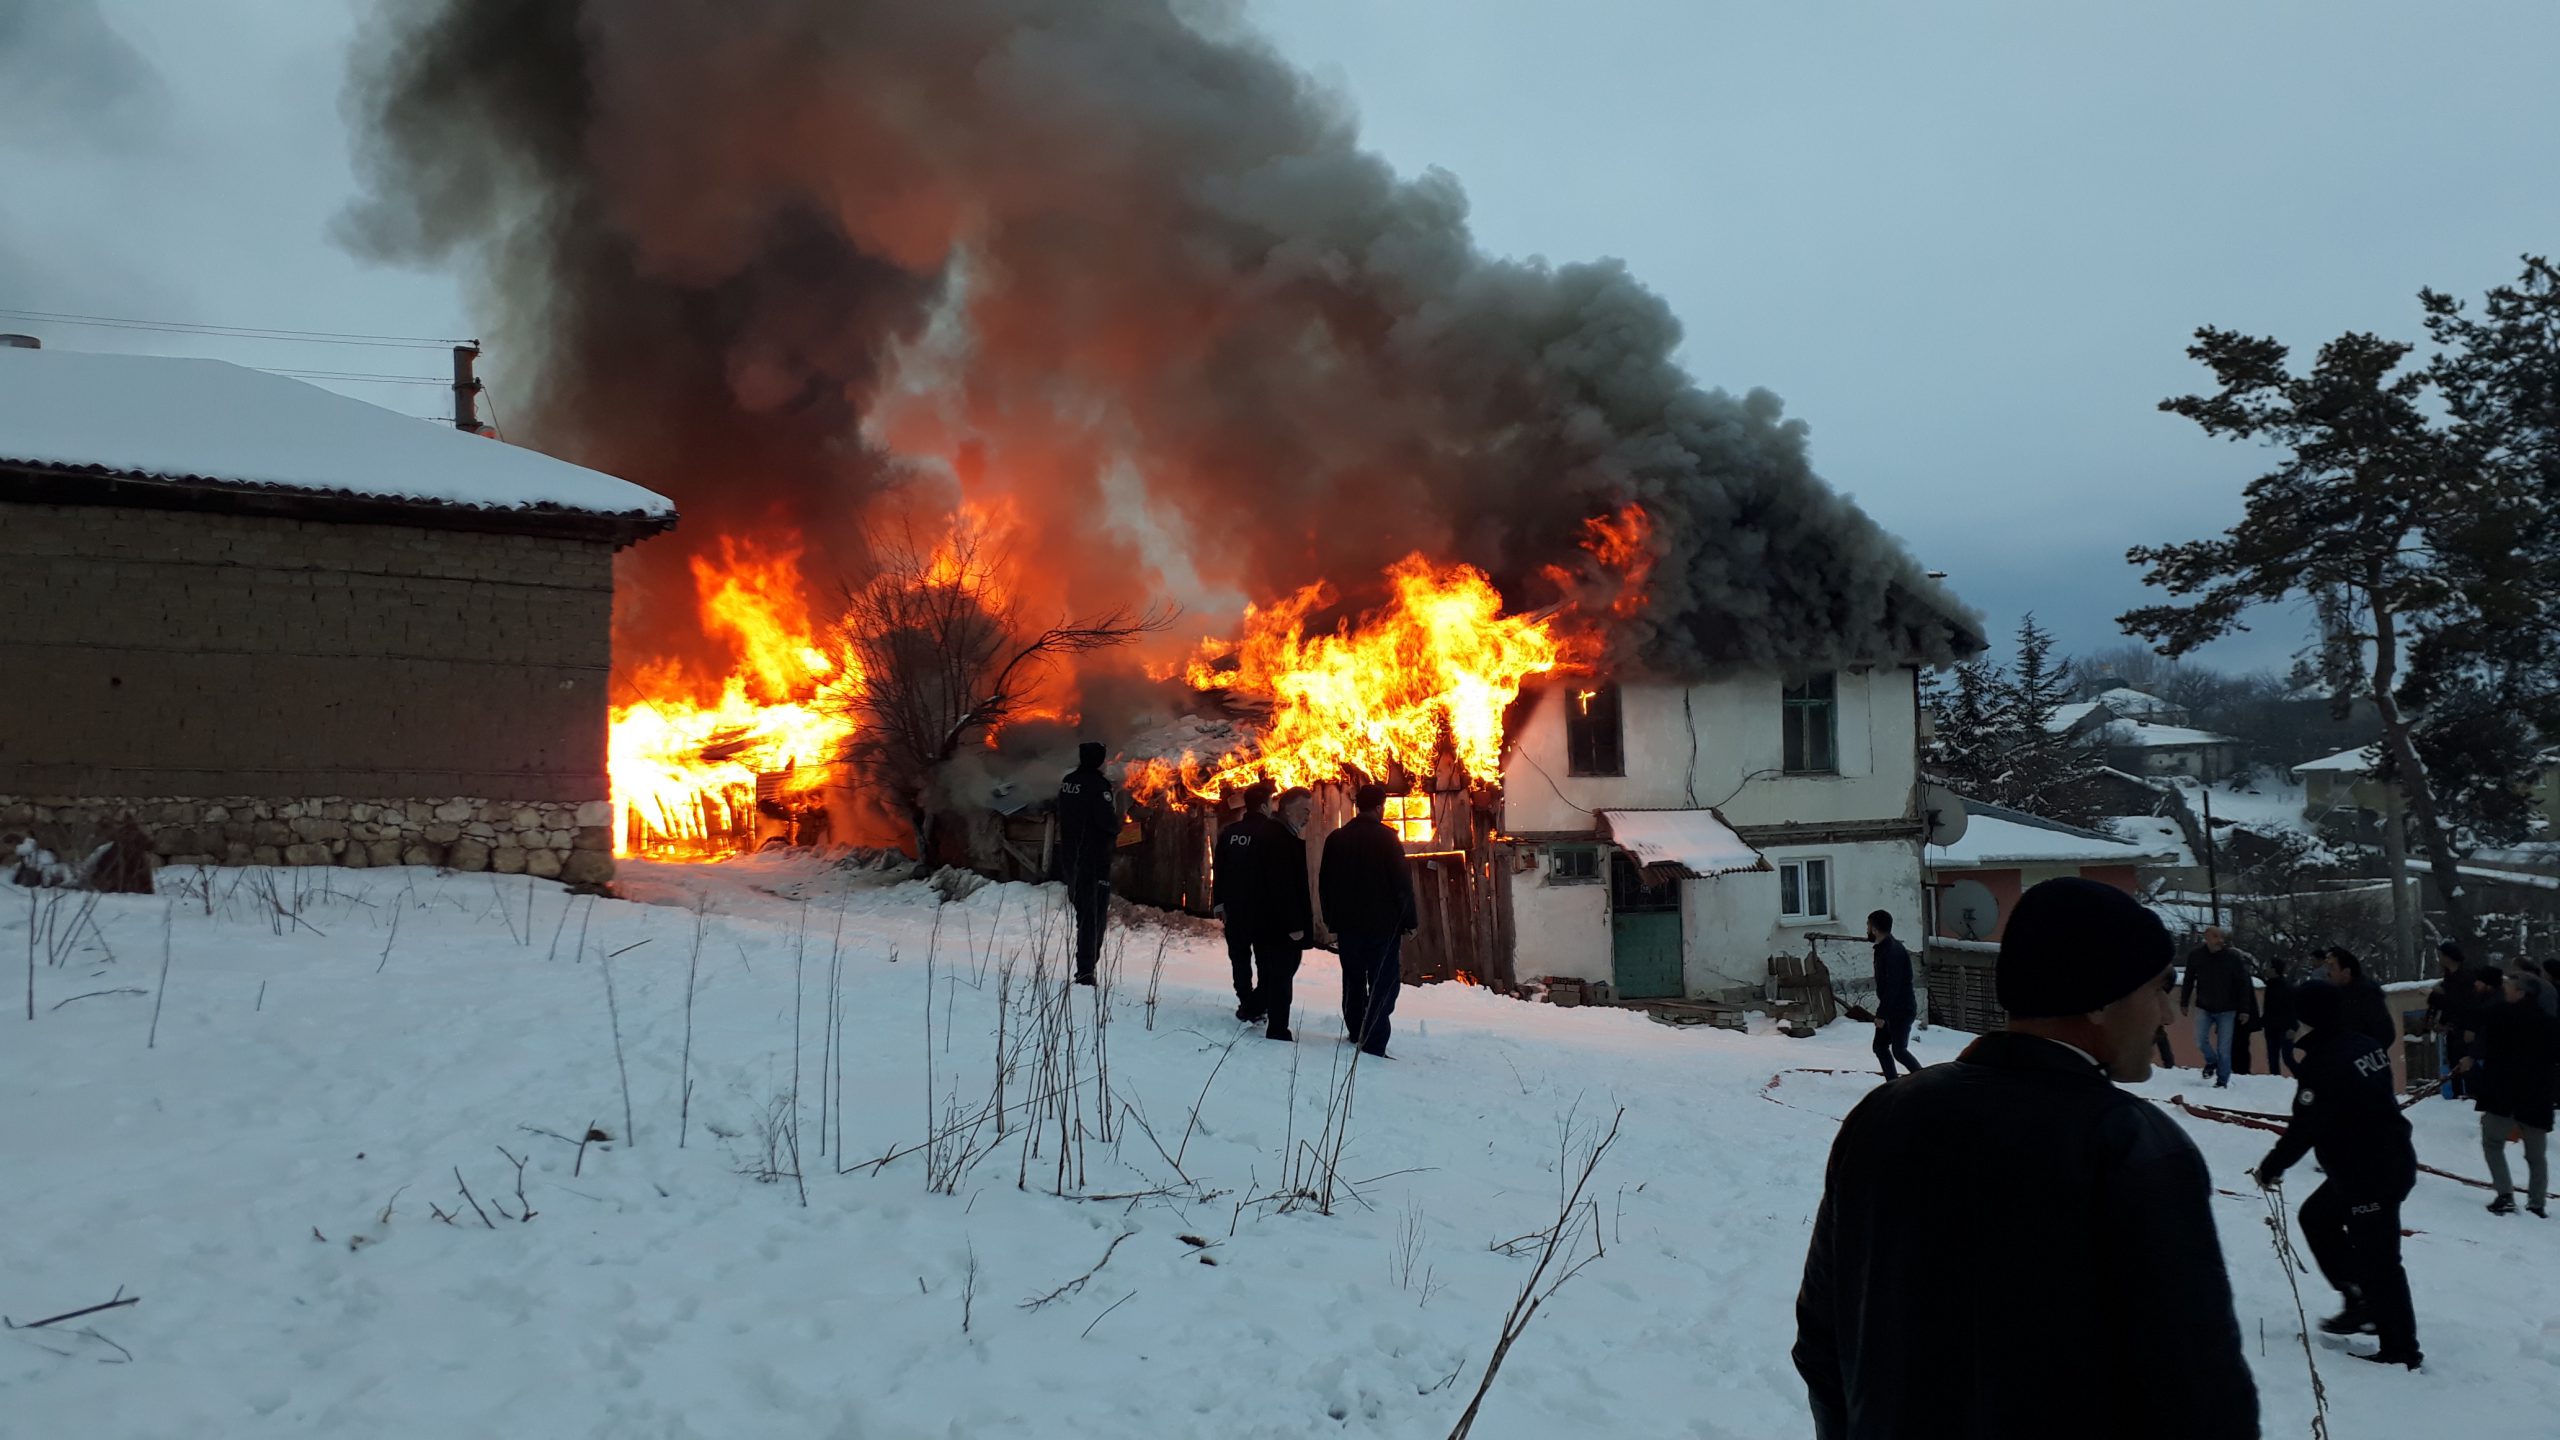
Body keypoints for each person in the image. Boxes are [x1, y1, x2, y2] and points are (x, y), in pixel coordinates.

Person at [1793, 877, 2258, 1439]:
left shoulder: (1883, 1118)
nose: (2166, 1015)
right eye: (2157, 989)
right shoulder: (2130, 1146)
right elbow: (2198, 1394)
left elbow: (1823, 1341)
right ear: (2099, 1000)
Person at [2251, 979, 2424, 1370]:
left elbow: (2306, 1125)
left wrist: (2272, 1167)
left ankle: (2401, 1349)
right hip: (2379, 1161)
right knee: (2317, 1217)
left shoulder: (2325, 1060)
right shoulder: (2362, 1043)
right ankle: (2358, 1297)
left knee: (2381, 1261)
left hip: (2370, 1172)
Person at [1318, 783, 1418, 1058]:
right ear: (1379, 807)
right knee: (1383, 983)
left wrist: (1331, 920)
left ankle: (1355, 1030)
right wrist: (1410, 920)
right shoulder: (1387, 838)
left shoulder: (1336, 839)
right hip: (1382, 926)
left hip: (1348, 926)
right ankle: (1373, 1042)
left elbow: (1325, 884)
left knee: (1353, 979)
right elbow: (1401, 883)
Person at [2466, 969, 2556, 1218]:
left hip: (2503, 1095)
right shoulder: (2549, 1023)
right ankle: (2537, 1204)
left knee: (2492, 1143)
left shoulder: (2500, 1015)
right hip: (2537, 1099)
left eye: (2508, 988)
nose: (2505, 991)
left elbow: (2475, 1018)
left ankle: (2505, 1194)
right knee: (2536, 1156)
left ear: (2520, 992)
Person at [1213, 785, 1284, 1023]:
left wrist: (1219, 903)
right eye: (1272, 801)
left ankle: (1245, 999)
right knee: (1265, 960)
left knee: (1239, 957)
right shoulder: (1274, 832)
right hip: (1264, 911)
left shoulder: (1230, 833)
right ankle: (1256, 1005)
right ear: (1264, 805)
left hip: (1235, 908)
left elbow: (1219, 869)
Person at [1250, 787, 1316, 1041]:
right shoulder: (1277, 838)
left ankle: (1253, 1007)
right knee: (1281, 975)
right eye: (1305, 810)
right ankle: (1278, 1030)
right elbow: (1280, 885)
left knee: (1275, 974)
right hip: (1278, 926)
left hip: (1269, 922)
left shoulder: (1277, 834)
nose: (1308, 816)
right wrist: (1293, 923)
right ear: (1288, 809)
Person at [1054, 741, 1121, 986]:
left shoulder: (1068, 781)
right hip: (1093, 858)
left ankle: (1084, 967)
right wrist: (1117, 828)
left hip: (1071, 855)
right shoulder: (1098, 785)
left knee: (1083, 912)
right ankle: (1086, 970)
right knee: (1094, 917)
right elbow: (1107, 822)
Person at [2180, 926, 2256, 1088]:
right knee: (2200, 1040)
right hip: (2204, 1005)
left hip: (2227, 1008)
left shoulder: (2232, 958)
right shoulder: (2197, 956)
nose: (2219, 940)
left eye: (2221, 937)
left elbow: (2243, 984)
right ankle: (2211, 1061)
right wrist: (2184, 1001)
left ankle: (2222, 1080)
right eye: (2215, 937)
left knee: (2224, 1048)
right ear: (2207, 937)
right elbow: (2188, 979)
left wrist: (2244, 1009)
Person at [1867, 910, 1920, 1080]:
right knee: (1880, 1047)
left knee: (1899, 1051)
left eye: (1868, 926)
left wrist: (1882, 1014)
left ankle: (1923, 1080)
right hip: (1892, 1007)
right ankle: (1892, 1083)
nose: (1866, 930)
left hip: (1901, 1009)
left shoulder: (1893, 952)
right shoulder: (1883, 948)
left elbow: (1893, 986)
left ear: (1875, 929)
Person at [2320, 946, 2398, 1047]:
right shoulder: (2335, 995)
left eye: (2332, 968)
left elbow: (2384, 1033)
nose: (2328, 973)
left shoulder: (2367, 995)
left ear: (2346, 972)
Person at [2254, 956, 2298, 1078]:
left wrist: (2293, 1028)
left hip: (2285, 1028)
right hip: (2271, 1027)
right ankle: (2275, 1081)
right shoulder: (2270, 987)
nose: (2266, 970)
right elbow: (2269, 1010)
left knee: (2287, 1057)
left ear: (2274, 970)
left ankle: (2302, 1077)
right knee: (2272, 1058)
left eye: (2268, 967)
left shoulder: (2287, 988)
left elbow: (2293, 1010)